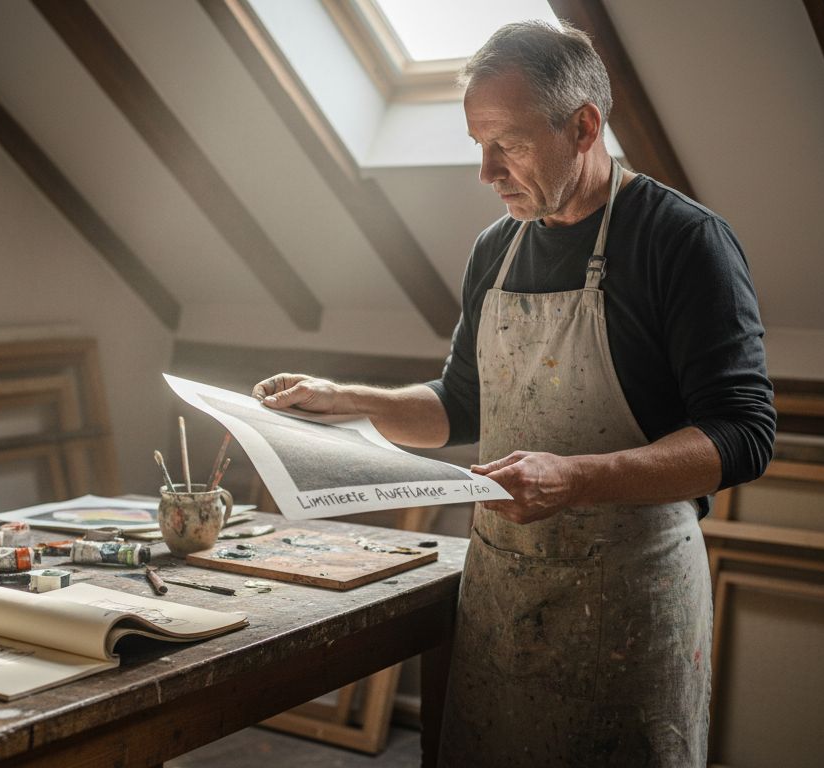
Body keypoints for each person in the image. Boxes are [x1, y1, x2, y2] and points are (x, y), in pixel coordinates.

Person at [253, 19, 774, 766]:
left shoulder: (681, 241)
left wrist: (576, 478)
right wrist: (351, 398)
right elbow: (461, 407)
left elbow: (744, 434)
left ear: (585, 126)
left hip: (629, 600)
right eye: (478, 145)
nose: (487, 172)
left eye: (510, 144)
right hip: (501, 591)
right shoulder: (497, 248)